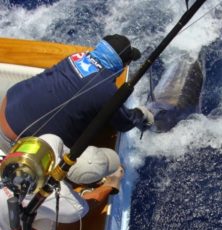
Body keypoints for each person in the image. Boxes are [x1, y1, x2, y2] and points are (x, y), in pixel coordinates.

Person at [0, 34, 154, 153]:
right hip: (18, 144)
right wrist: (141, 114)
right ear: (122, 64)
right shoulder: (107, 91)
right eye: (128, 62)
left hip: (6, 108)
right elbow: (124, 123)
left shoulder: (75, 57)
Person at [0, 134, 124, 230]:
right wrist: (111, 184)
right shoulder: (72, 208)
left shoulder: (49, 140)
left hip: (13, 191)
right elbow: (86, 206)